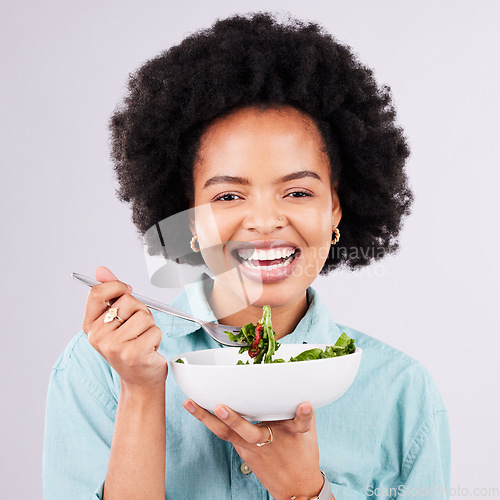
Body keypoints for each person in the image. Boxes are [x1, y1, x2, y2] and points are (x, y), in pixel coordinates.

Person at [43, 12, 451, 500]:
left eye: (297, 192)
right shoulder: (99, 372)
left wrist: (305, 490)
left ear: (335, 208)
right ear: (190, 221)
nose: (263, 221)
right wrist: (140, 392)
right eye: (229, 197)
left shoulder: (402, 393)